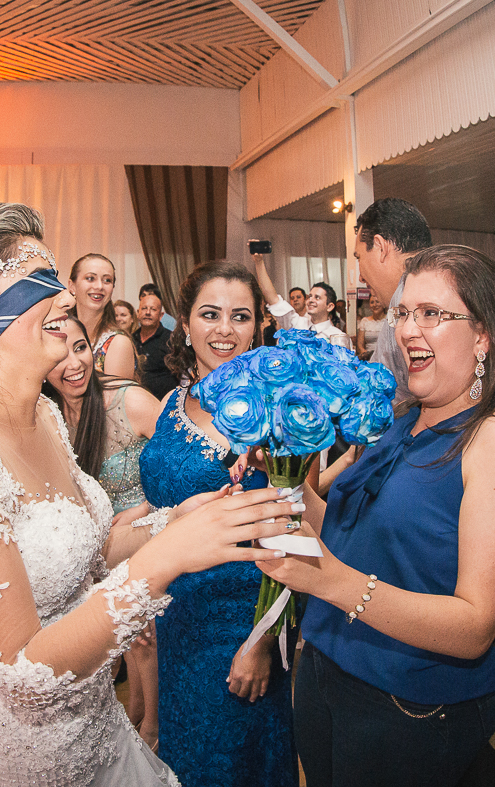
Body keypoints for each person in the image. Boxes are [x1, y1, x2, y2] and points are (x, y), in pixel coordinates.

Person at [0, 202, 293, 787]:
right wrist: (166, 558)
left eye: (56, 277)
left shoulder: (47, 415)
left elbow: (84, 549)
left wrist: (173, 522)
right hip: (25, 748)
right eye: (38, 279)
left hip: (95, 717)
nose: (62, 297)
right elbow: (25, 674)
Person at [260, 244, 495, 787]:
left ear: (483, 335)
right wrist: (284, 472)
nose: (408, 330)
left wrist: (334, 583)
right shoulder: (402, 421)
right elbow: (342, 530)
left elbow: (475, 627)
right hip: (326, 671)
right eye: (404, 313)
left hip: (410, 704)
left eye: (432, 314)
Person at [138, 260, 299, 787]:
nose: (224, 330)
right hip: (177, 616)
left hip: (239, 626)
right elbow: (171, 496)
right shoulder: (171, 402)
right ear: (184, 323)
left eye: (240, 317)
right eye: (210, 315)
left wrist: (261, 642)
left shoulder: (279, 415)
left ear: (258, 328)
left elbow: (293, 533)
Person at [45, 315, 166, 747]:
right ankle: (135, 713)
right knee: (123, 640)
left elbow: (184, 466)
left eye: (81, 348)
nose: (74, 363)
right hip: (97, 544)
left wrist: (143, 510)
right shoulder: (47, 415)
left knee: (142, 636)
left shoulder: (127, 399)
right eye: (59, 353)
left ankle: (152, 728)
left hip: (150, 530)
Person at [353, 197, 434, 401]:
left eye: (359, 257)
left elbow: (381, 398)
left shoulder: (404, 300)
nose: (361, 277)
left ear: (380, 247)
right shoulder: (449, 283)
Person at [252, 252, 351, 349]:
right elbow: (273, 299)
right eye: (310, 296)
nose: (311, 300)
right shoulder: (297, 324)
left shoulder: (338, 337)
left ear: (329, 306)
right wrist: (259, 262)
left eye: (317, 297)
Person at [68, 253, 137, 380]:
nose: (99, 286)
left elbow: (115, 399)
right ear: (72, 286)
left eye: (107, 280)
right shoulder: (59, 334)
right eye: (90, 278)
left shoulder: (118, 343)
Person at [134, 288, 178, 399]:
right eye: (144, 308)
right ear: (138, 313)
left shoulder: (171, 340)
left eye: (153, 309)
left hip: (164, 404)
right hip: (136, 402)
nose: (148, 313)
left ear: (160, 315)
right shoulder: (130, 339)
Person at [355, 290, 387, 360]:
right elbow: (360, 345)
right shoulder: (365, 321)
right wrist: (368, 356)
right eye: (372, 302)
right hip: (369, 358)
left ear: (383, 304)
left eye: (377, 302)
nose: (375, 305)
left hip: (386, 357)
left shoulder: (389, 321)